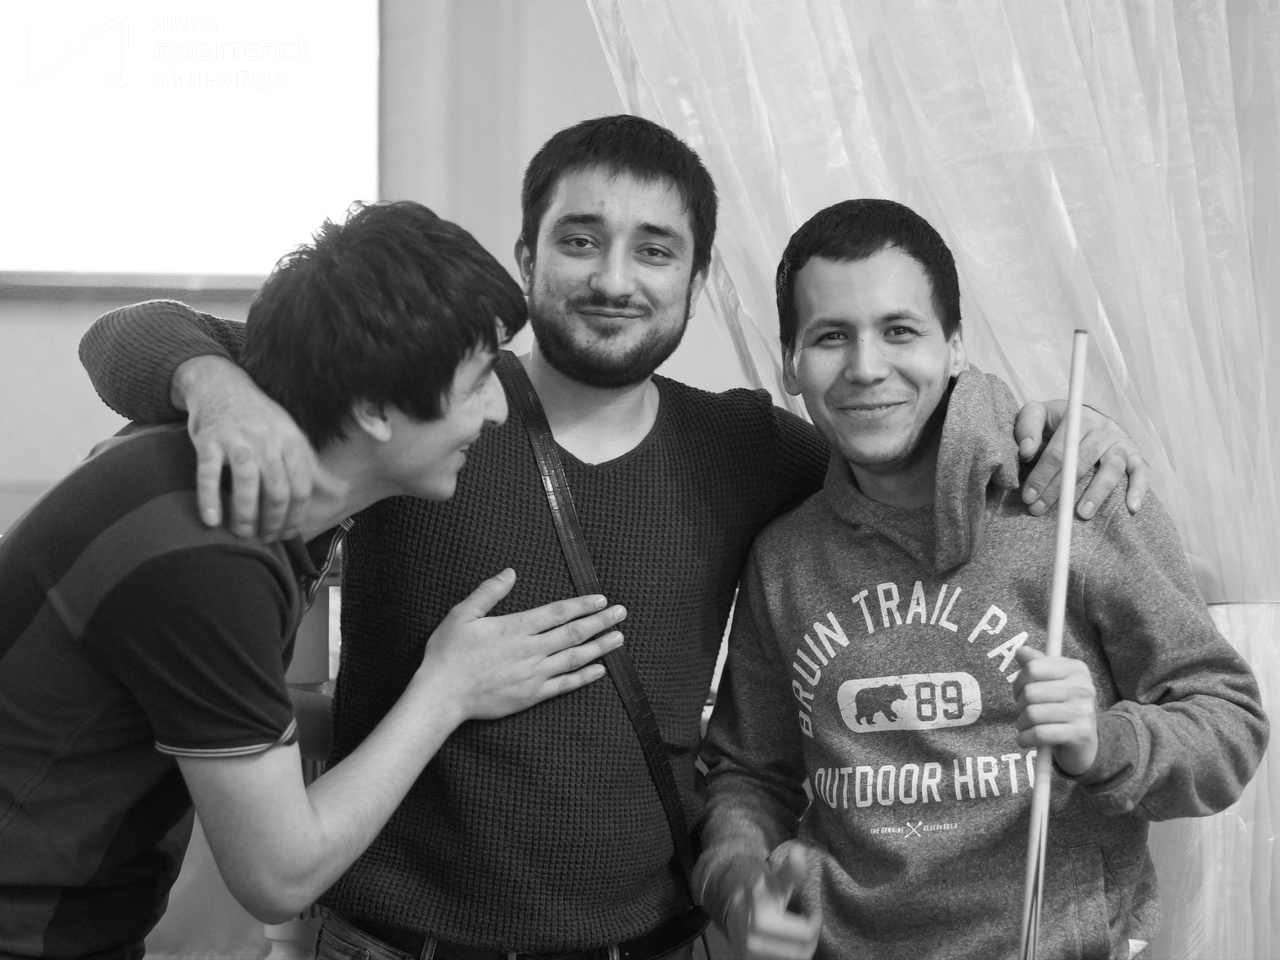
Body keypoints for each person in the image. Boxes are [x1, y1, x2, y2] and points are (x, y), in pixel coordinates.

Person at [77, 117, 1151, 960]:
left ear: (698, 278)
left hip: (652, 942)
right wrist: (214, 383)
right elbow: (124, 335)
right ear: (526, 255)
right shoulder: (422, 407)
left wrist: (1059, 425)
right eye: (579, 240)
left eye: (654, 250)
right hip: (392, 940)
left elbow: (905, 439)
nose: (612, 278)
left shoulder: (747, 447)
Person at [0, 201, 628, 960]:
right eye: (477, 381)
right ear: (373, 409)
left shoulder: (289, 397)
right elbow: (279, 876)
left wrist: (210, 381)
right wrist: (447, 691)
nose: (499, 409)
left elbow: (141, 329)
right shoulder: (209, 549)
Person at [693, 199, 1269, 960]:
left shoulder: (1078, 499)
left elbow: (1229, 726)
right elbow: (748, 773)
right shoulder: (784, 557)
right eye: (831, 336)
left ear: (956, 347)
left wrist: (1104, 743)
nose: (866, 367)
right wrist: (736, 876)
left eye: (900, 330)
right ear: (789, 364)